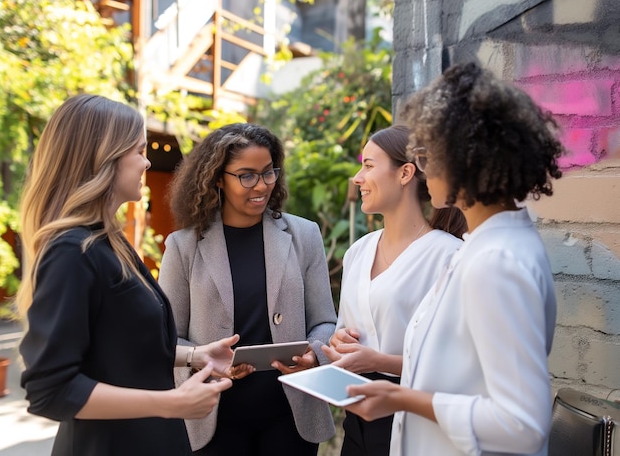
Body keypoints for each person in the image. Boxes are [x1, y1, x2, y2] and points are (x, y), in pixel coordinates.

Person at [343, 62, 564, 456]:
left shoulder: (496, 261)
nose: (424, 170)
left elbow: (523, 425)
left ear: (466, 158)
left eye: (429, 155)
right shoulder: (482, 247)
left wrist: (401, 400)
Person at [16, 94, 236, 456]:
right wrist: (171, 403)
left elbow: (118, 347)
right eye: (138, 150)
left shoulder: (106, 242)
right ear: (104, 158)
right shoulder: (73, 252)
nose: (147, 161)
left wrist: (195, 356)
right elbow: (50, 391)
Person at [158, 122, 337, 456]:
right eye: (247, 175)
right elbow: (166, 338)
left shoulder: (305, 235)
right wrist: (205, 359)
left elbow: (325, 321)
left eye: (269, 173)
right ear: (217, 179)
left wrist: (315, 353)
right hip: (212, 421)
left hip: (290, 417)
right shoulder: (183, 247)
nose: (262, 185)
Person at [320, 124, 466, 456]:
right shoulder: (358, 251)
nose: (357, 178)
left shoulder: (449, 256)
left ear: (405, 173)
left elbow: (458, 362)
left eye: (369, 165)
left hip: (415, 420)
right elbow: (345, 330)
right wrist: (340, 342)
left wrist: (380, 360)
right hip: (357, 417)